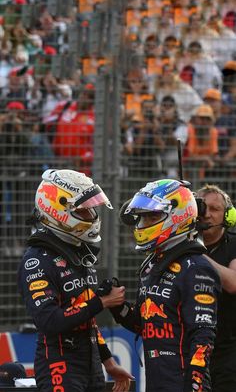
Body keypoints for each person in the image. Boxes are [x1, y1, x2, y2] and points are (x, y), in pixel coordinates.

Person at [18, 168, 133, 392]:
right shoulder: (37, 261)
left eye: (91, 210)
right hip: (59, 364)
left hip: (90, 364)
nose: (91, 216)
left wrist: (108, 362)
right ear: (58, 210)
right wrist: (101, 302)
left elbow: (86, 319)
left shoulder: (78, 254)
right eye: (84, 211)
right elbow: (49, 321)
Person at [111, 179, 221, 392]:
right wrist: (116, 306)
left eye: (153, 217)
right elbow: (144, 326)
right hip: (157, 380)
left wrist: (195, 383)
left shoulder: (196, 267)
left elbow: (203, 334)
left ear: (177, 216)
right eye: (143, 217)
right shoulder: (152, 265)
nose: (144, 224)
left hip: (184, 383)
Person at [196, 183, 236, 392]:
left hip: (228, 351)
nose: (208, 215)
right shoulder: (180, 245)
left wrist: (195, 253)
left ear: (228, 215)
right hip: (191, 350)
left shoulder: (234, 244)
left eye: (215, 209)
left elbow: (233, 283)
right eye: (203, 208)